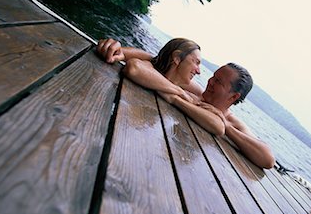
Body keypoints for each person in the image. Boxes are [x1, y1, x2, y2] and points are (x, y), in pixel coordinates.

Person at [97, 38, 275, 169]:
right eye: (212, 76)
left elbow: (268, 159)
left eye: (218, 82)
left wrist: (226, 128)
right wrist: (119, 50)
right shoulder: (196, 92)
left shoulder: (231, 122)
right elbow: (158, 63)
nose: (209, 82)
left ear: (234, 97)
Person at [97, 37, 225, 135]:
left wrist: (176, 100)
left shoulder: (192, 88)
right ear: (177, 58)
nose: (198, 71)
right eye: (196, 63)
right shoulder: (153, 68)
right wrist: (180, 93)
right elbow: (134, 68)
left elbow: (219, 127)